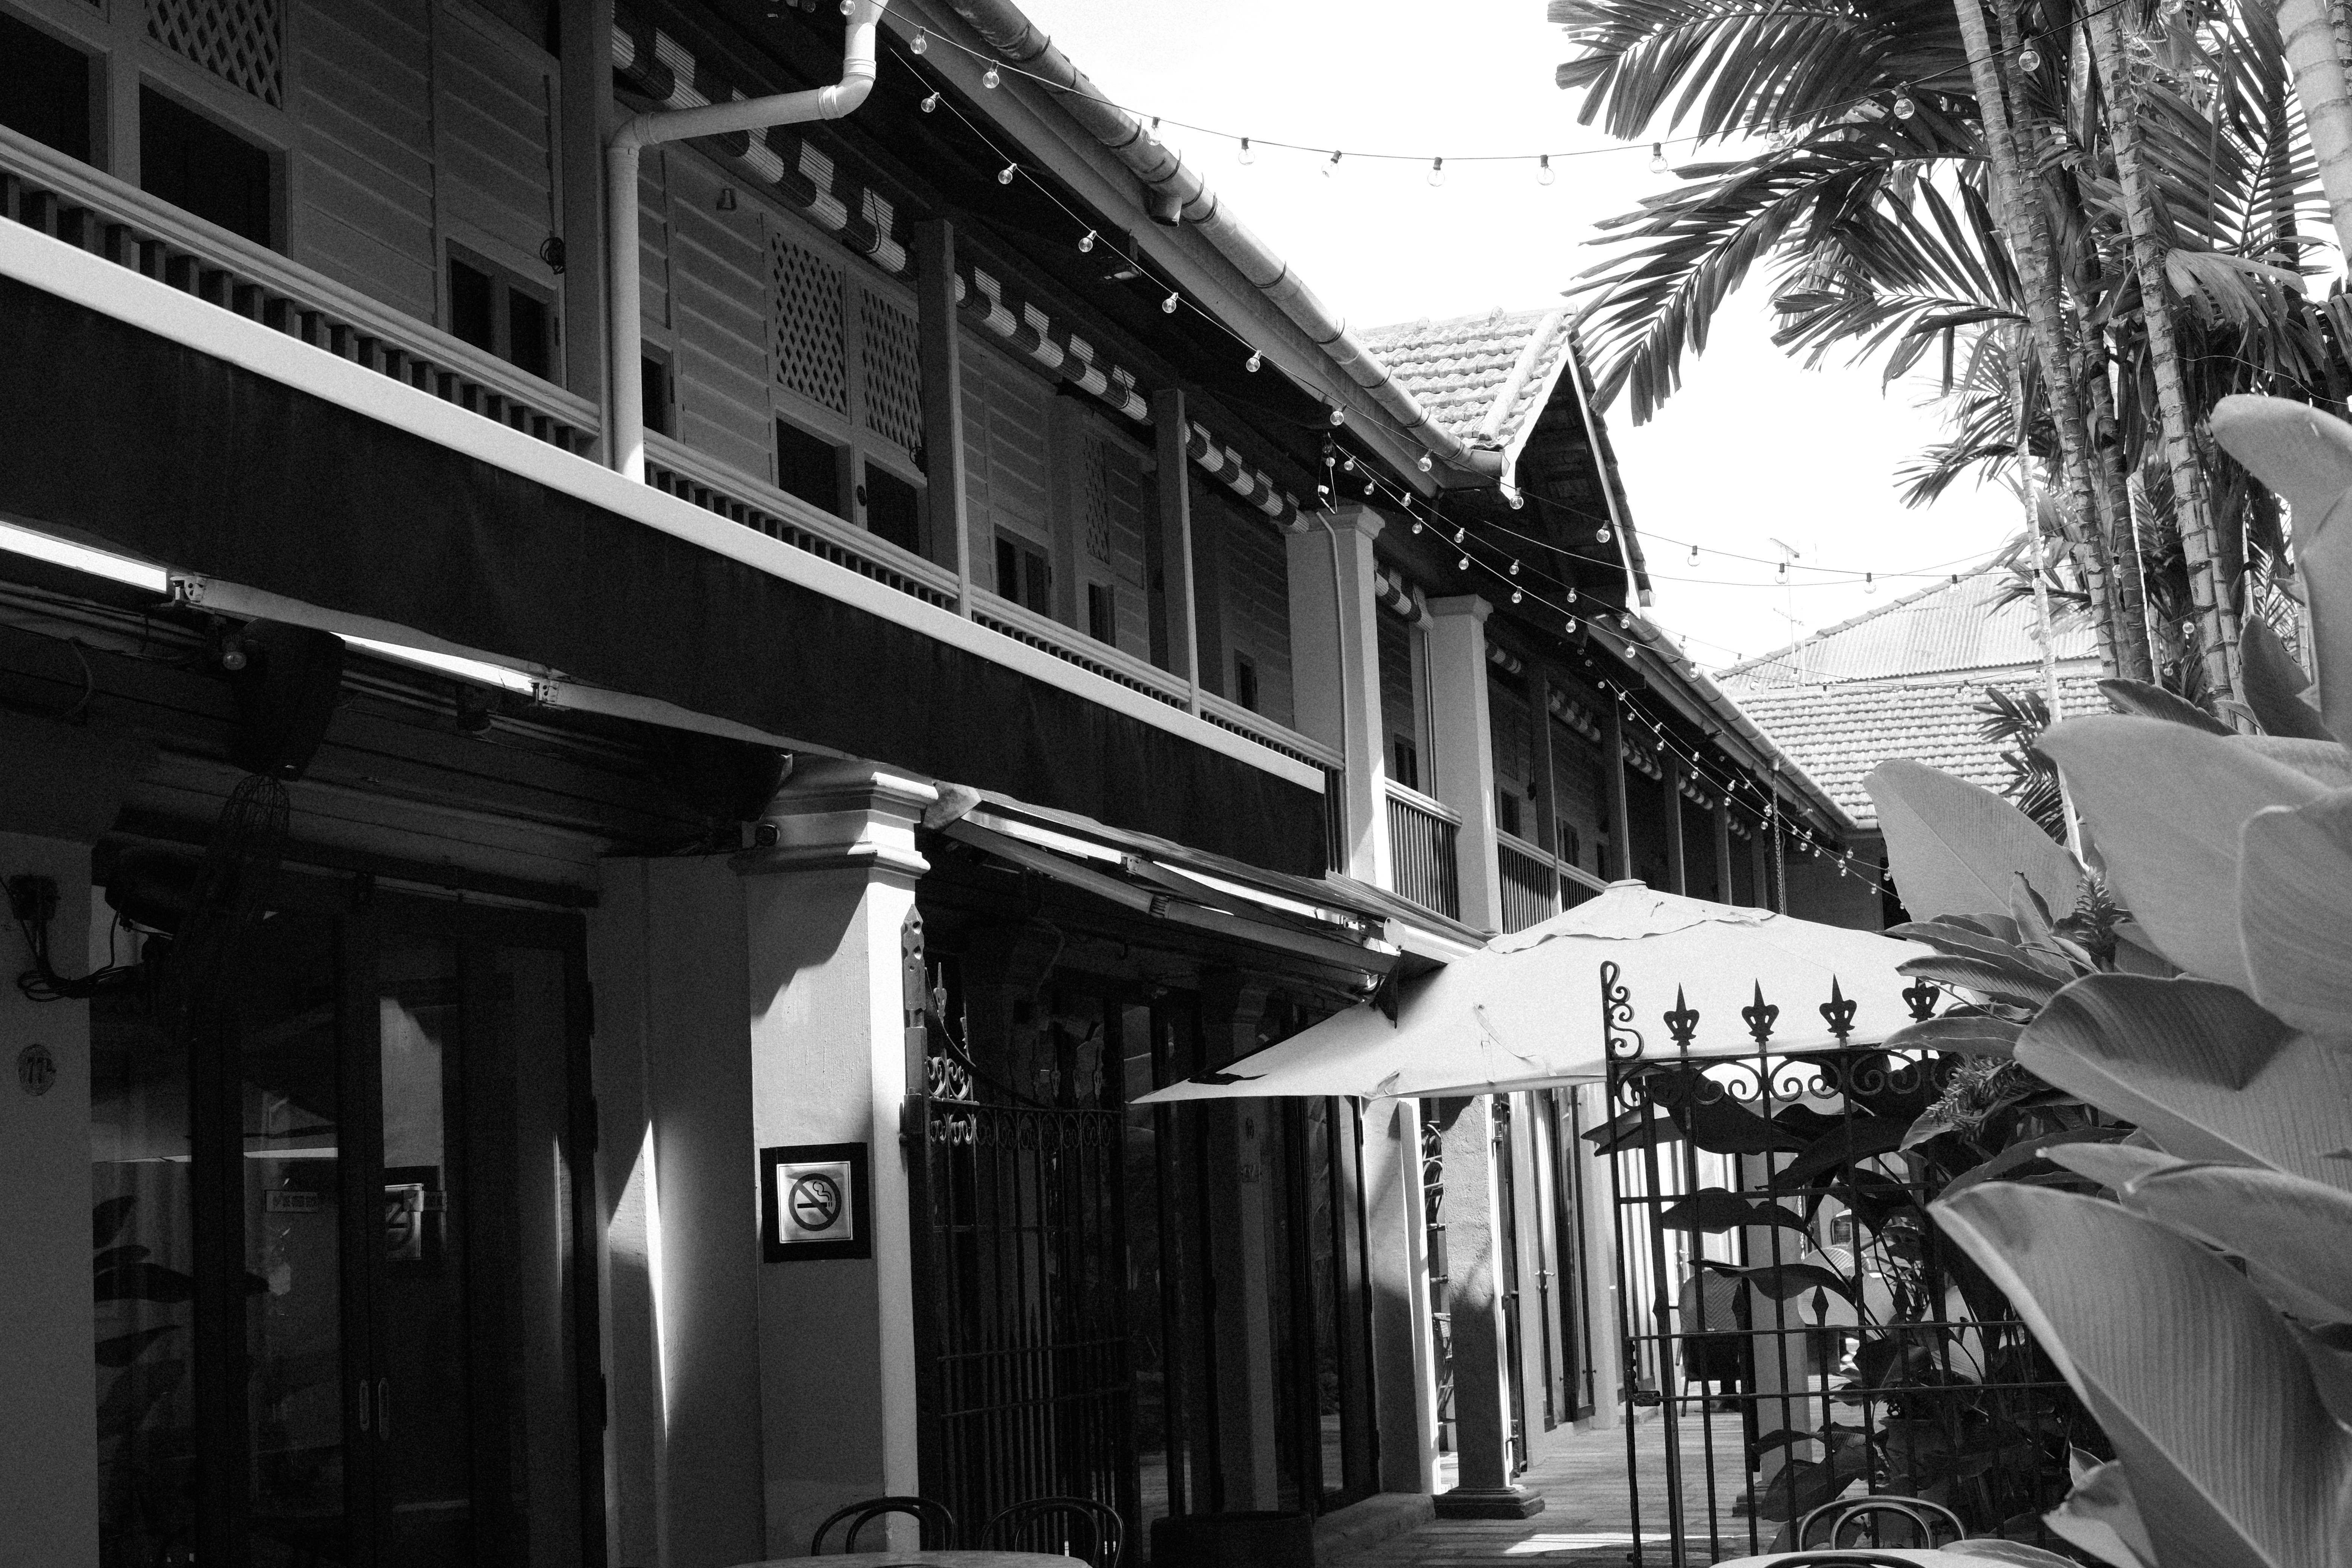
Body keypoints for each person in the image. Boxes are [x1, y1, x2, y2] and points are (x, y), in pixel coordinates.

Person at [1678, 1260, 1758, 1458]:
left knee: (1718, 1348)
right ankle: (1730, 1396)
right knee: (1729, 1348)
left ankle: (1726, 1397)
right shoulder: (1732, 1301)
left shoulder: (1694, 1306)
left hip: (1701, 1365)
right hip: (1732, 1359)